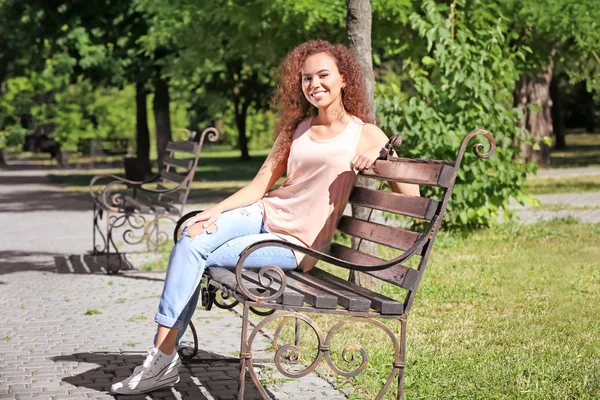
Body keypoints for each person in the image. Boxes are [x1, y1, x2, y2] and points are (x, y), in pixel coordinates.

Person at [111, 39, 420, 395]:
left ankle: (159, 361)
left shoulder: (364, 133)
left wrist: (382, 158)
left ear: (344, 79)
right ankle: (162, 357)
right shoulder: (297, 129)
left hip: (295, 244)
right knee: (192, 236)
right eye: (306, 78)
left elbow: (411, 198)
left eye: (323, 75)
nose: (314, 84)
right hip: (263, 214)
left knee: (201, 253)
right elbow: (260, 185)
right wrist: (213, 211)